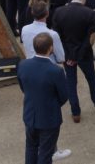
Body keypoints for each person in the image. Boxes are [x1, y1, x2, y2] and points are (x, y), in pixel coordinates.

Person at [52, 0, 95, 123]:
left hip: (67, 54)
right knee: (91, 78)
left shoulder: (59, 12)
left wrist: (69, 56)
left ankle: (75, 112)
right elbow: (91, 38)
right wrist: (79, 55)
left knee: (71, 82)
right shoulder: (89, 13)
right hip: (84, 54)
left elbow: (57, 37)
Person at [17, 33, 69, 164]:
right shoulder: (56, 71)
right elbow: (63, 96)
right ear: (51, 48)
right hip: (49, 118)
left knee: (31, 148)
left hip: (30, 114)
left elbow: (23, 87)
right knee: (45, 153)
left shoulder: (23, 65)